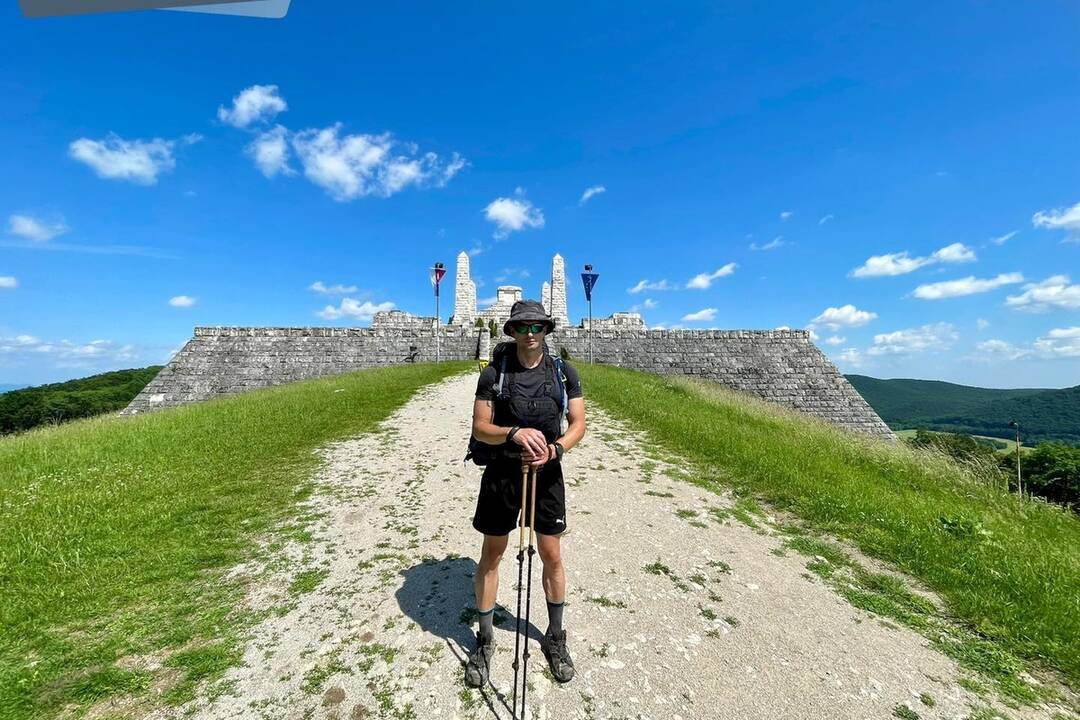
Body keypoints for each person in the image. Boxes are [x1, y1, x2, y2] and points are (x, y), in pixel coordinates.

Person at [464, 299, 587, 688]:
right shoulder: (494, 374)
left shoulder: (564, 372)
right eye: (522, 327)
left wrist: (556, 449)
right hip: (502, 473)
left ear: (546, 330)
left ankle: (555, 636)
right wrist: (513, 433)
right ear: (512, 331)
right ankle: (485, 639)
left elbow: (578, 423)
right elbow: (480, 427)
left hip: (547, 472)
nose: (529, 333)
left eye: (536, 326)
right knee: (492, 553)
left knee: (551, 554)